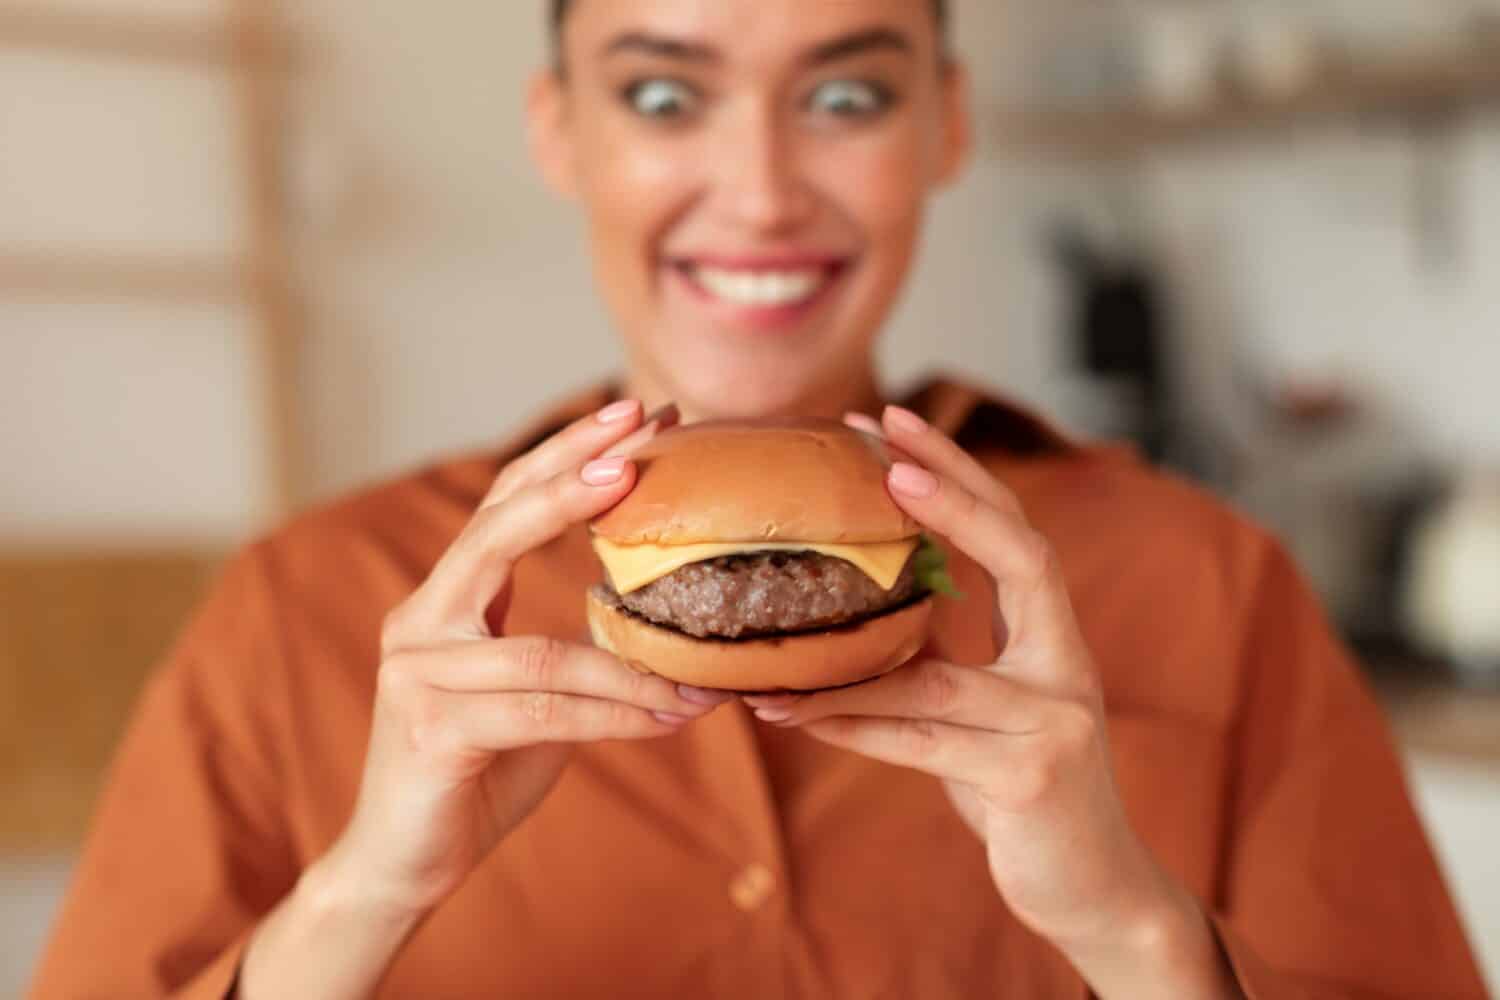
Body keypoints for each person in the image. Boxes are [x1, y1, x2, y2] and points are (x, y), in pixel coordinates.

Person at [30, 1, 1486, 997]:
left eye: (845, 95)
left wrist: (1133, 927)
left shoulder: (1207, 580)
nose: (763, 186)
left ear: (946, 125)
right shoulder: (308, 604)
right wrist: (355, 903)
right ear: (559, 132)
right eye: (664, 95)